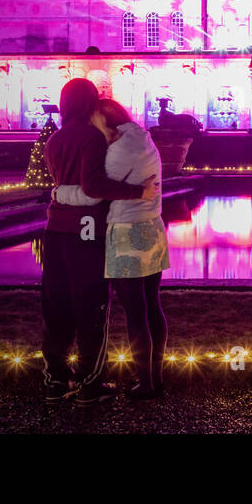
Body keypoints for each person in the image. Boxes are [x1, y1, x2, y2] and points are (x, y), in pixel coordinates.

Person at [41, 78, 159, 405]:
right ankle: (91, 384)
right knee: (91, 304)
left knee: (57, 304)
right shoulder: (93, 138)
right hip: (87, 227)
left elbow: (63, 182)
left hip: (55, 227)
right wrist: (138, 192)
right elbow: (94, 187)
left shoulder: (54, 139)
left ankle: (55, 380)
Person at [92, 98, 169, 399]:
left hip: (127, 231)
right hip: (153, 227)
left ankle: (146, 384)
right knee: (152, 306)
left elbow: (97, 186)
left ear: (106, 122)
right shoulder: (144, 138)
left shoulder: (119, 148)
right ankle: (156, 378)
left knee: (135, 312)